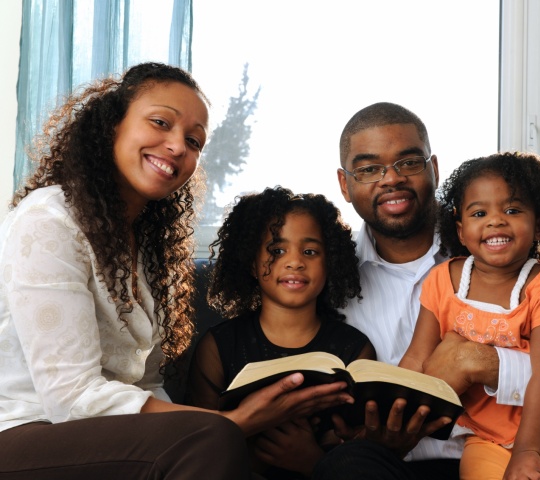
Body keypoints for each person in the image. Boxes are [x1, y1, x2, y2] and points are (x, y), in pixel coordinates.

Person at [0, 63, 352, 480]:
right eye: (160, 122)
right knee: (214, 438)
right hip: (27, 433)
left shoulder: (145, 247)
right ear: (113, 123)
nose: (177, 146)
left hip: (111, 438)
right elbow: (70, 398)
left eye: (193, 141)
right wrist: (233, 422)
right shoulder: (49, 221)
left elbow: (145, 387)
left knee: (219, 441)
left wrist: (224, 423)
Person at [312, 101, 540, 480]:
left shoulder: (519, 259)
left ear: (433, 169)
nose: (391, 179)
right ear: (345, 184)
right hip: (397, 470)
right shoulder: (328, 277)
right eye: (369, 169)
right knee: (346, 467)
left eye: (409, 162)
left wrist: (486, 364)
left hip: (527, 454)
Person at [399, 153, 540, 479]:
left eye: (512, 210)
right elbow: (416, 358)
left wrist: (527, 452)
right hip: (485, 436)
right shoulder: (441, 280)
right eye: (480, 213)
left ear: (538, 223)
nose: (496, 220)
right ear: (462, 231)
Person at [185, 186, 375, 479]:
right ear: (251, 261)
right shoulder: (218, 346)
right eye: (277, 250)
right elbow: (194, 447)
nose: (295, 262)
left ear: (330, 263)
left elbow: (358, 454)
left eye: (310, 251)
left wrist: (312, 461)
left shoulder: (354, 350)